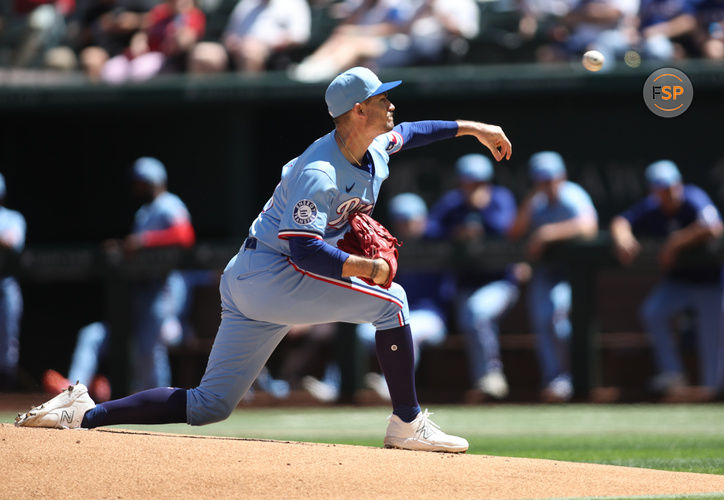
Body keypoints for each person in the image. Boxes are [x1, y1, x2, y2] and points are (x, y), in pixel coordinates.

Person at [16, 66, 512, 454]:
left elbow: (416, 131)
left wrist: (476, 129)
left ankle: (82, 413)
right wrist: (369, 268)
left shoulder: (376, 144)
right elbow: (306, 251)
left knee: (209, 405)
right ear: (358, 111)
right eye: (382, 97)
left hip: (253, 278)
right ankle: (407, 423)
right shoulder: (317, 171)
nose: (391, 104)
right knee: (393, 302)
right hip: (272, 273)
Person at [42, 157, 196, 398]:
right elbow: (136, 247)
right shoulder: (144, 213)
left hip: (160, 293)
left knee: (148, 351)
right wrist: (123, 247)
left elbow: (184, 235)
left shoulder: (169, 204)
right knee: (92, 336)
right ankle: (72, 393)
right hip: (135, 294)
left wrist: (142, 242)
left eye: (139, 183)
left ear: (151, 181)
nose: (135, 189)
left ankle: (161, 402)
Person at [301, 192, 453, 403]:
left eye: (410, 220)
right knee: (361, 332)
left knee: (410, 330)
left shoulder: (438, 240)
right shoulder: (387, 245)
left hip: (430, 315)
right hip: (394, 310)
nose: (405, 225)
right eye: (400, 220)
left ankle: (388, 386)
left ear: (422, 219)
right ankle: (334, 385)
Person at [610, 160, 724, 399]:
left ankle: (714, 393)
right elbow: (621, 221)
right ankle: (673, 373)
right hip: (679, 282)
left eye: (670, 187)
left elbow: (714, 227)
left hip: (713, 282)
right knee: (653, 312)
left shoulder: (693, 197)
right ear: (653, 191)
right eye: (661, 188)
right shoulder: (651, 207)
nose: (667, 193)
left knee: (712, 339)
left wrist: (676, 241)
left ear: (679, 184)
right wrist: (623, 237)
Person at [425, 154, 522, 400]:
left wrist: (482, 214)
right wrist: (454, 231)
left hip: (500, 280)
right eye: (468, 182)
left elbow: (508, 230)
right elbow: (428, 230)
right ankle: (484, 381)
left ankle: (491, 375)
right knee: (471, 315)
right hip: (465, 283)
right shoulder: (453, 203)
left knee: (477, 312)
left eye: (478, 182)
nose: (473, 187)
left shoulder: (500, 199)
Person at [508, 151, 598, 402]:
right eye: (541, 180)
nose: (547, 185)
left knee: (559, 317)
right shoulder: (535, 201)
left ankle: (574, 378)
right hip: (545, 274)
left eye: (551, 179)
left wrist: (549, 232)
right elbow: (514, 232)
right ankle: (555, 380)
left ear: (562, 177)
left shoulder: (573, 195)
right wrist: (530, 203)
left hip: (574, 275)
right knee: (542, 321)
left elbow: (589, 227)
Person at [188, 0, 311, 74]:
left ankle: (248, 110)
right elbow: (230, 34)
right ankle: (205, 109)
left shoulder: (294, 3)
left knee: (249, 53)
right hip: (238, 51)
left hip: (273, 54)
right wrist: (233, 42)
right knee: (203, 53)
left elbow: (299, 36)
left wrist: (266, 44)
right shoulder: (246, 4)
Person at [0, 173, 26, 390]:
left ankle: (6, 394)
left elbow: (12, 241)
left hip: (5, 283)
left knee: (8, 342)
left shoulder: (12, 217)